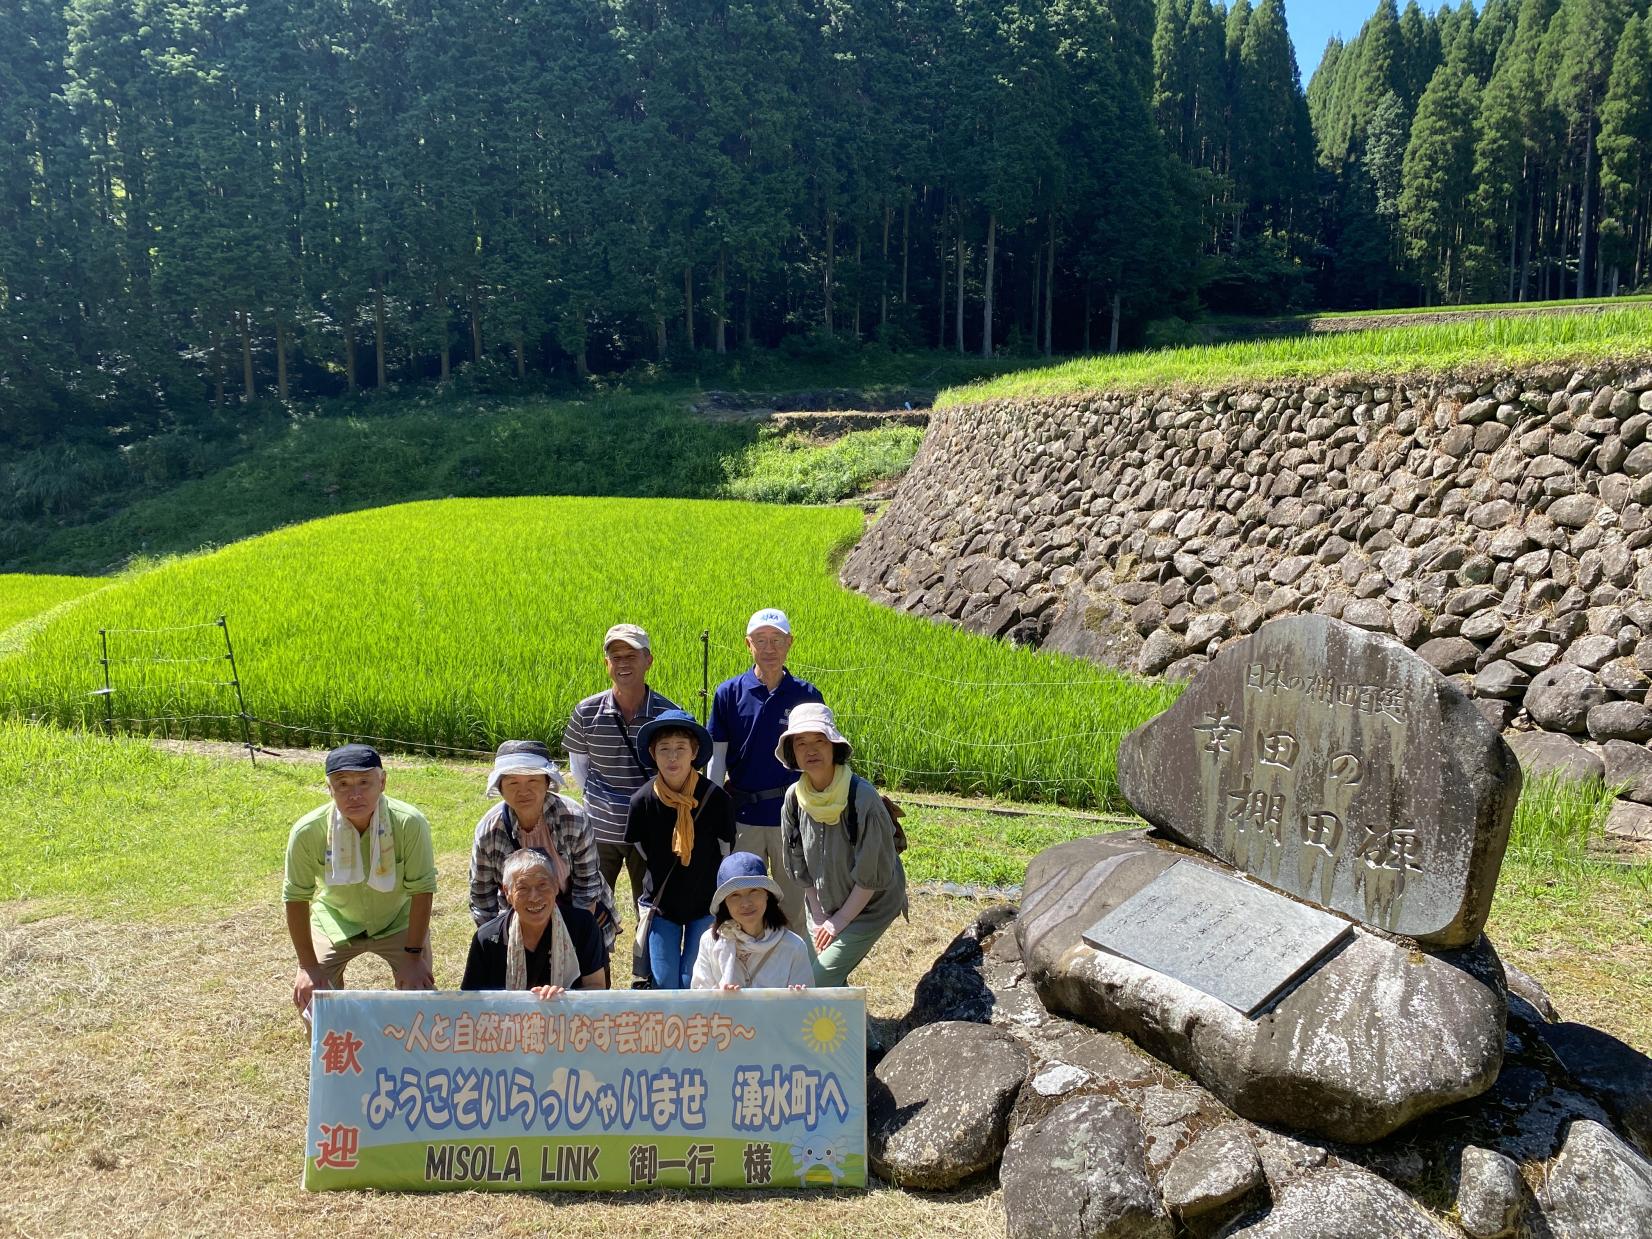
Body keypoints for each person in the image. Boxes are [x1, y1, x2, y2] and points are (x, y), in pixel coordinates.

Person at [283, 744, 438, 1019]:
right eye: (342, 784)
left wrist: (413, 957)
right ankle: (331, 1059)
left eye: (365, 782)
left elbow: (422, 890)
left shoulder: (409, 823)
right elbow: (296, 897)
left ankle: (411, 1059)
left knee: (420, 996)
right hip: (336, 920)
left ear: (383, 782)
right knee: (315, 1001)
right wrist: (307, 966)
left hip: (397, 920)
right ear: (329, 788)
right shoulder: (307, 831)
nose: (354, 794)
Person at [565, 623, 682, 982]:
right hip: (597, 832)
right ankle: (593, 977)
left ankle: (645, 979)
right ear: (607, 664)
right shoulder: (586, 712)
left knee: (650, 909)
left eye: (631, 655)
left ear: (649, 660)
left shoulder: (667, 714)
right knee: (590, 907)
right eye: (616, 657)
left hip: (651, 833)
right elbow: (580, 771)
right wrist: (604, 807)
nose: (623, 663)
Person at [707, 607, 823, 935]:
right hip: (744, 816)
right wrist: (713, 810)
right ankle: (745, 975)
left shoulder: (807, 695)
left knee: (793, 905)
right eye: (761, 640)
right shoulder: (728, 693)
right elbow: (717, 758)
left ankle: (795, 978)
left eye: (776, 640)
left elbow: (821, 756)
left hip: (793, 816)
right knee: (743, 904)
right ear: (748, 644)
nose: (769, 648)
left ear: (790, 643)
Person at [778, 704, 907, 987]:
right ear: (793, 752)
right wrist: (821, 914)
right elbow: (799, 863)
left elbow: (871, 873)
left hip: (871, 906)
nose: (811, 750)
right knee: (820, 979)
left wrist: (839, 921)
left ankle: (851, 1032)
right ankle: (859, 1033)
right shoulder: (794, 798)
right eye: (801, 743)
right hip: (823, 904)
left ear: (834, 746)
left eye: (820, 741)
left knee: (819, 980)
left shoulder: (862, 798)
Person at [624, 709, 736, 989]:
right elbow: (641, 849)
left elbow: (726, 849)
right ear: (652, 753)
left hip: (705, 903)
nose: (672, 757)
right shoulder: (642, 801)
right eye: (664, 749)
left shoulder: (716, 798)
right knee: (664, 982)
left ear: (694, 752)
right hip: (662, 905)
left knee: (693, 981)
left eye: (680, 749)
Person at [468, 740, 617, 949]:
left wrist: (575, 940)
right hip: (516, 923)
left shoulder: (573, 818)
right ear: (500, 788)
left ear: (547, 783)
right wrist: (498, 943)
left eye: (532, 781)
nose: (523, 791)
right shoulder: (488, 831)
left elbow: (587, 886)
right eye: (513, 783)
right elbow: (482, 896)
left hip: (577, 915)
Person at [461, 850, 609, 995]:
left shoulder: (582, 925)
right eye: (522, 888)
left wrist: (565, 997)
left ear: (556, 885)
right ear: (508, 893)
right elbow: (472, 1002)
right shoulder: (487, 939)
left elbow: (597, 987)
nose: (534, 897)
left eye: (542, 885)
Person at [691, 852, 814, 991]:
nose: (746, 903)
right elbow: (699, 999)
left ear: (767, 894)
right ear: (724, 903)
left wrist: (799, 999)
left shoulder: (794, 946)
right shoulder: (709, 942)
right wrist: (720, 997)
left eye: (754, 891)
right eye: (735, 895)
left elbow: (807, 1008)